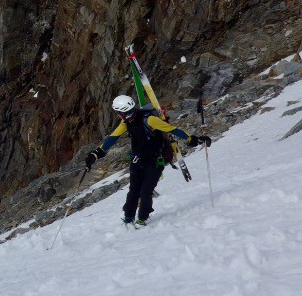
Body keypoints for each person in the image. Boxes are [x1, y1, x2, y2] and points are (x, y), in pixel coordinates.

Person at [85, 95, 211, 226]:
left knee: (145, 192)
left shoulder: (149, 119)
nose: (118, 116)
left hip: (155, 162)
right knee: (134, 190)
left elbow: (172, 129)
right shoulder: (126, 123)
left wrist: (194, 139)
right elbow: (112, 138)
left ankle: (142, 218)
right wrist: (95, 154)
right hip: (137, 160)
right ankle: (128, 217)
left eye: (118, 113)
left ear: (124, 113)